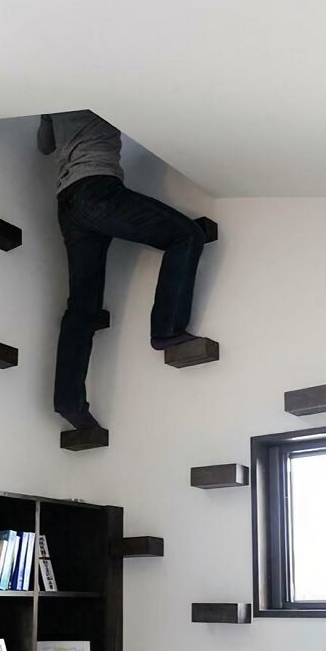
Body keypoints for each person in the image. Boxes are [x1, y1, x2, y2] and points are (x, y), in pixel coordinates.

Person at [38, 110, 208, 431]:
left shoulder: (51, 98)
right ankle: (167, 329)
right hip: (97, 188)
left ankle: (69, 402)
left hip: (67, 201)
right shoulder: (101, 81)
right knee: (187, 235)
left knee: (82, 307)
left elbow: (44, 145)